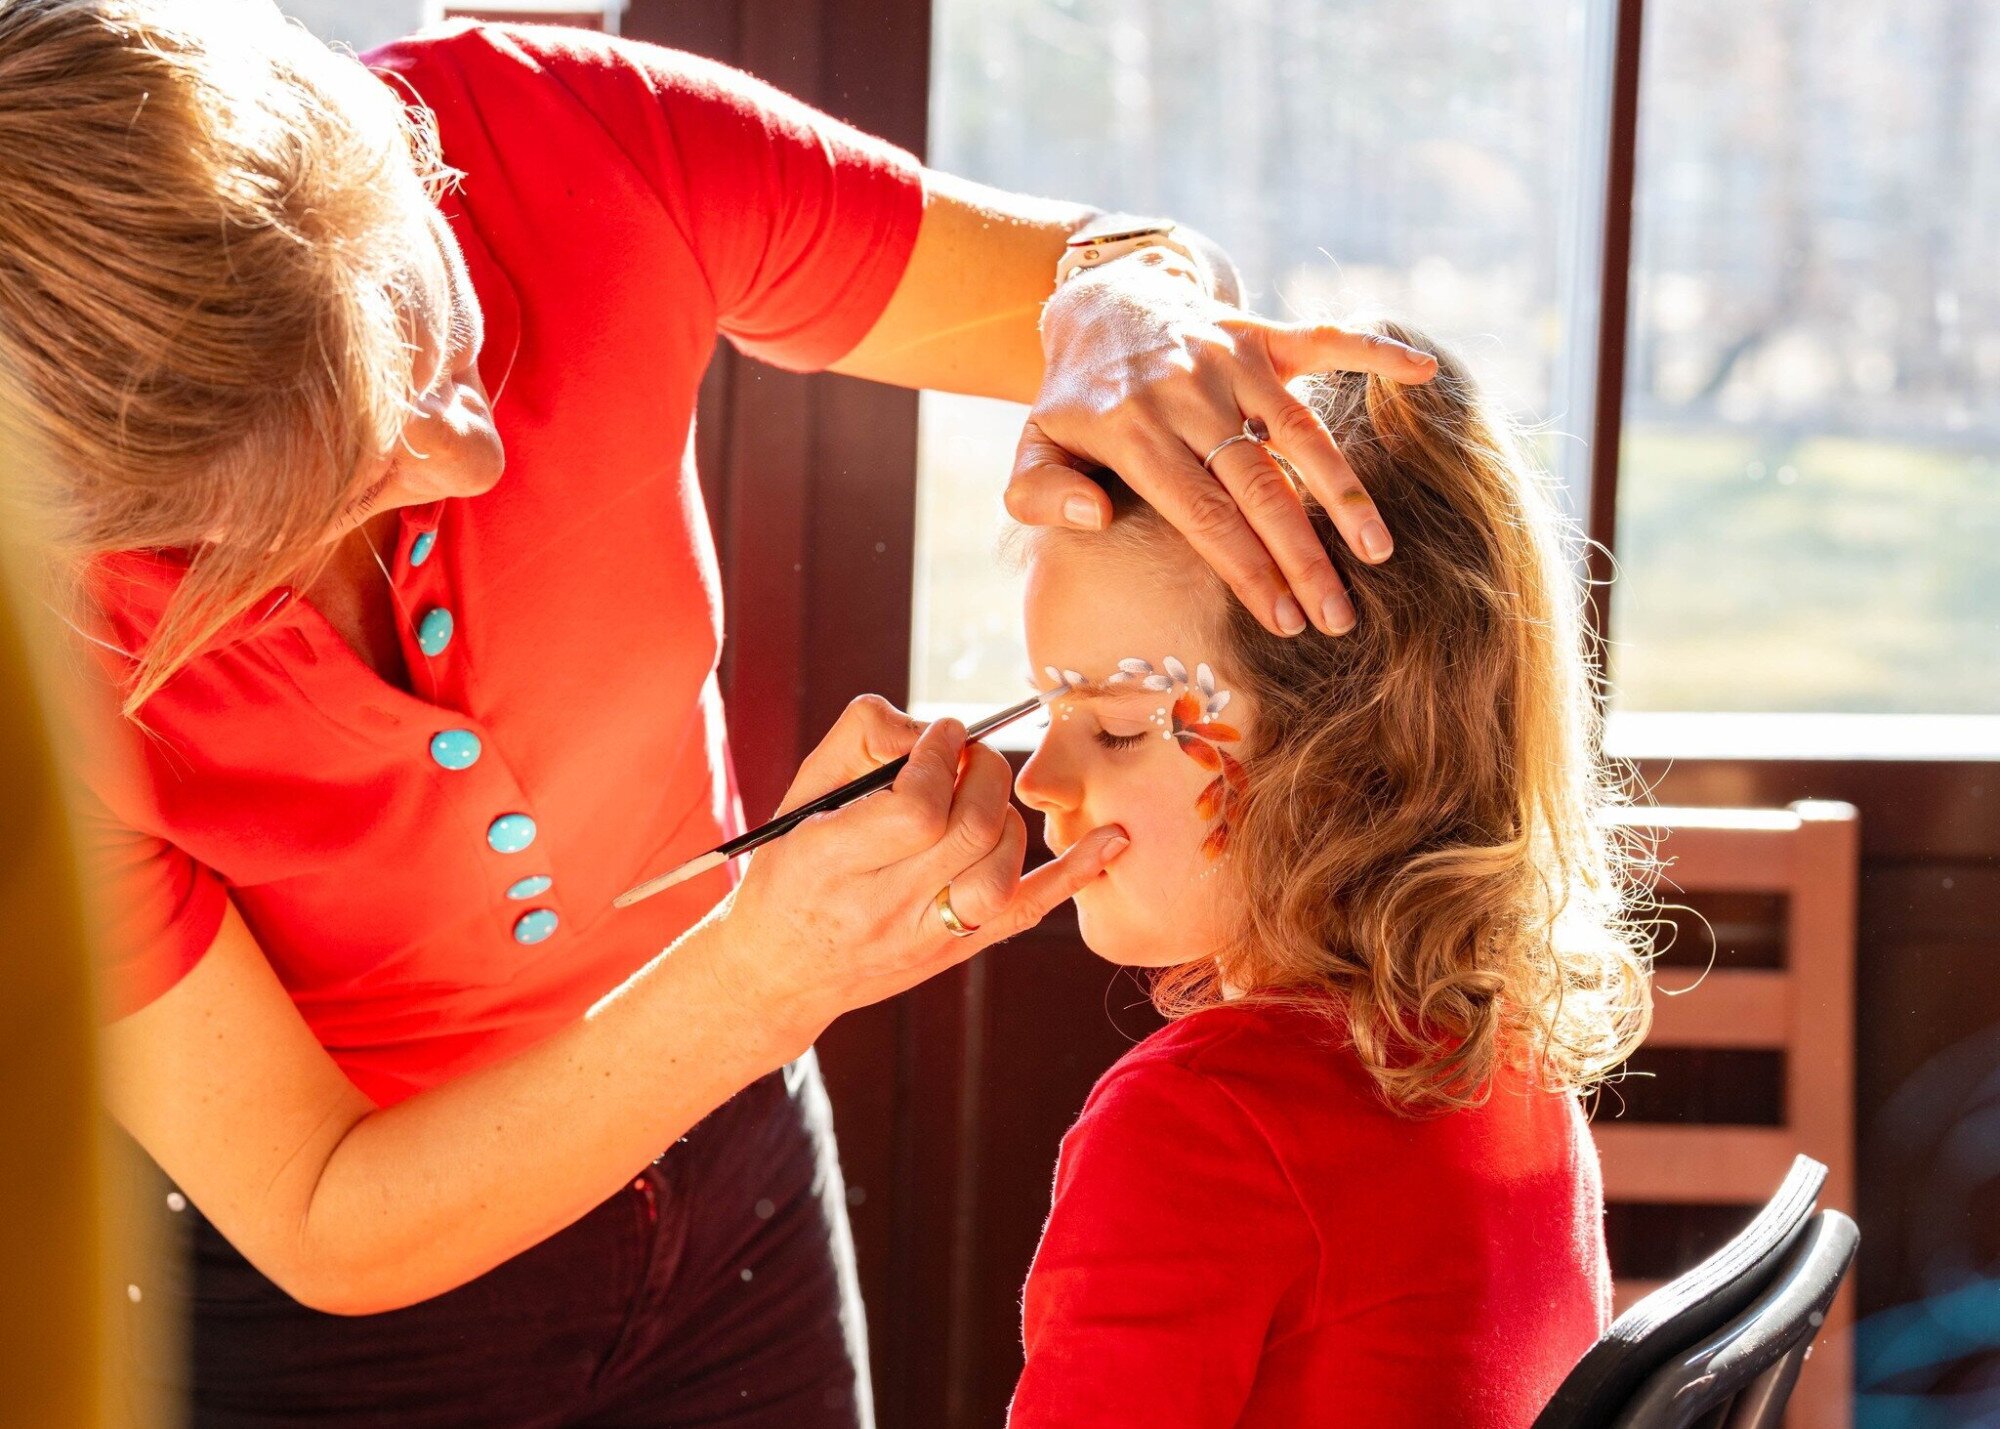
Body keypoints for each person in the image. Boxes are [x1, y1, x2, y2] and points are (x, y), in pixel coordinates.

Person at [0, 1, 1441, 1423]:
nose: (477, 445)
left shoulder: (553, 135)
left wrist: (1132, 301)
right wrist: (767, 973)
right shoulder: (38, 670)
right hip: (340, 1318)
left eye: (441, 320)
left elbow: (1088, 285)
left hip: (739, 1176)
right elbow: (323, 1210)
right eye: (358, 465)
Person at [1006, 321, 1655, 1427]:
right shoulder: (1510, 1066)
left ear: (1342, 764)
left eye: (1114, 727)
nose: (1036, 781)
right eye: (1042, 711)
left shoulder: (1189, 1130)